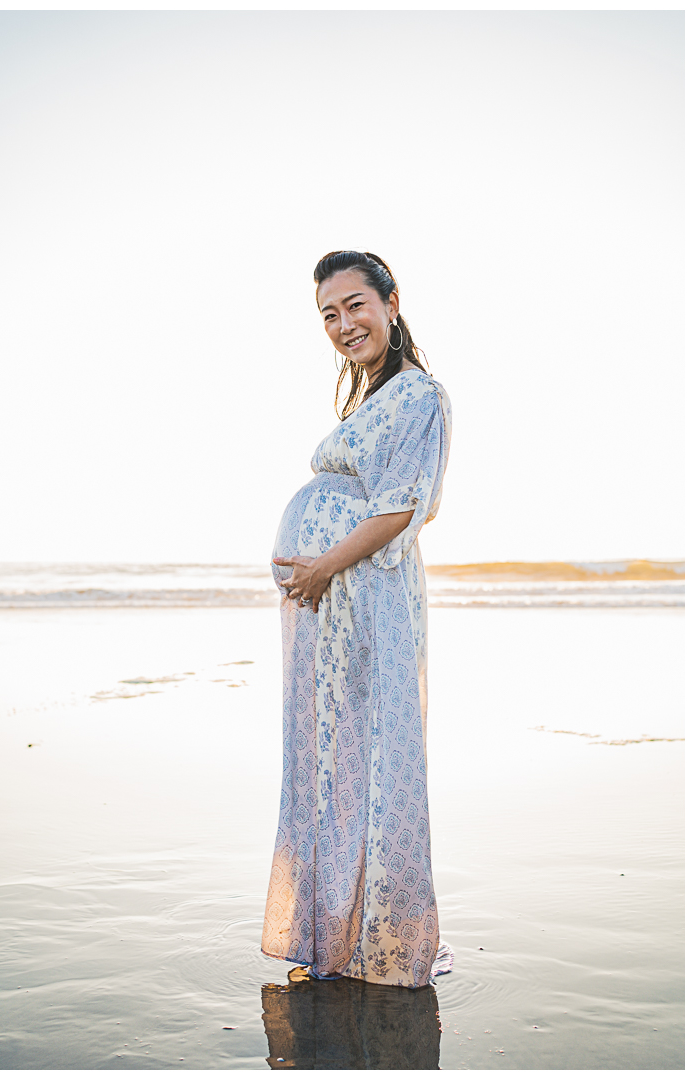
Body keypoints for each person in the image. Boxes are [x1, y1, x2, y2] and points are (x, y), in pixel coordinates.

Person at [261, 250, 452, 989]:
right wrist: (313, 572)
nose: (343, 324)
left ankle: (386, 940)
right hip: (332, 601)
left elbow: (399, 508)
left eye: (355, 305)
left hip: (363, 596)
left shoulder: (419, 395)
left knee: (369, 759)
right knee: (331, 758)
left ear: (392, 303)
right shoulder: (371, 399)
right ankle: (334, 930)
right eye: (329, 314)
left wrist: (321, 566)